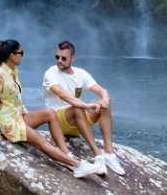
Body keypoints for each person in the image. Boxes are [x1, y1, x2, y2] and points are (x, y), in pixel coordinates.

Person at [0, 39, 104, 178]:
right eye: (20, 52)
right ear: (12, 55)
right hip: (8, 123)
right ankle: (77, 166)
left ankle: (65, 153)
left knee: (50, 113)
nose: (22, 55)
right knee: (42, 142)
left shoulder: (13, 72)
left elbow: (15, 100)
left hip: (19, 117)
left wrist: (26, 115)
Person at [42, 40, 126, 175]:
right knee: (77, 107)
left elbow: (102, 90)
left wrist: (104, 100)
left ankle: (109, 154)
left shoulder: (81, 73)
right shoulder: (50, 73)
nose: (59, 61)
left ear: (73, 58)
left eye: (64, 58)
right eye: (57, 57)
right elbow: (63, 95)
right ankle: (98, 156)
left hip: (79, 118)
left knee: (106, 103)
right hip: (59, 120)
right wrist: (86, 106)